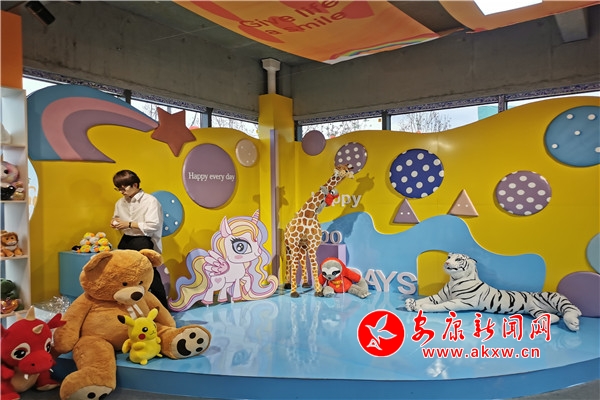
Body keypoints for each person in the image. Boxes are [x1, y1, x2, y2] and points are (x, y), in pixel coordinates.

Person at [110, 169, 169, 309]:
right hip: (126, 239)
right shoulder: (120, 202)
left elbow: (153, 225)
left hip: (143, 240)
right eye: (118, 189)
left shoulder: (150, 201)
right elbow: (116, 217)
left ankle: (162, 309)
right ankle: (131, 308)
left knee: (149, 275)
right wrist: (114, 222)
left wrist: (129, 224)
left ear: (135, 185)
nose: (121, 192)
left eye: (123, 188)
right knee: (124, 275)